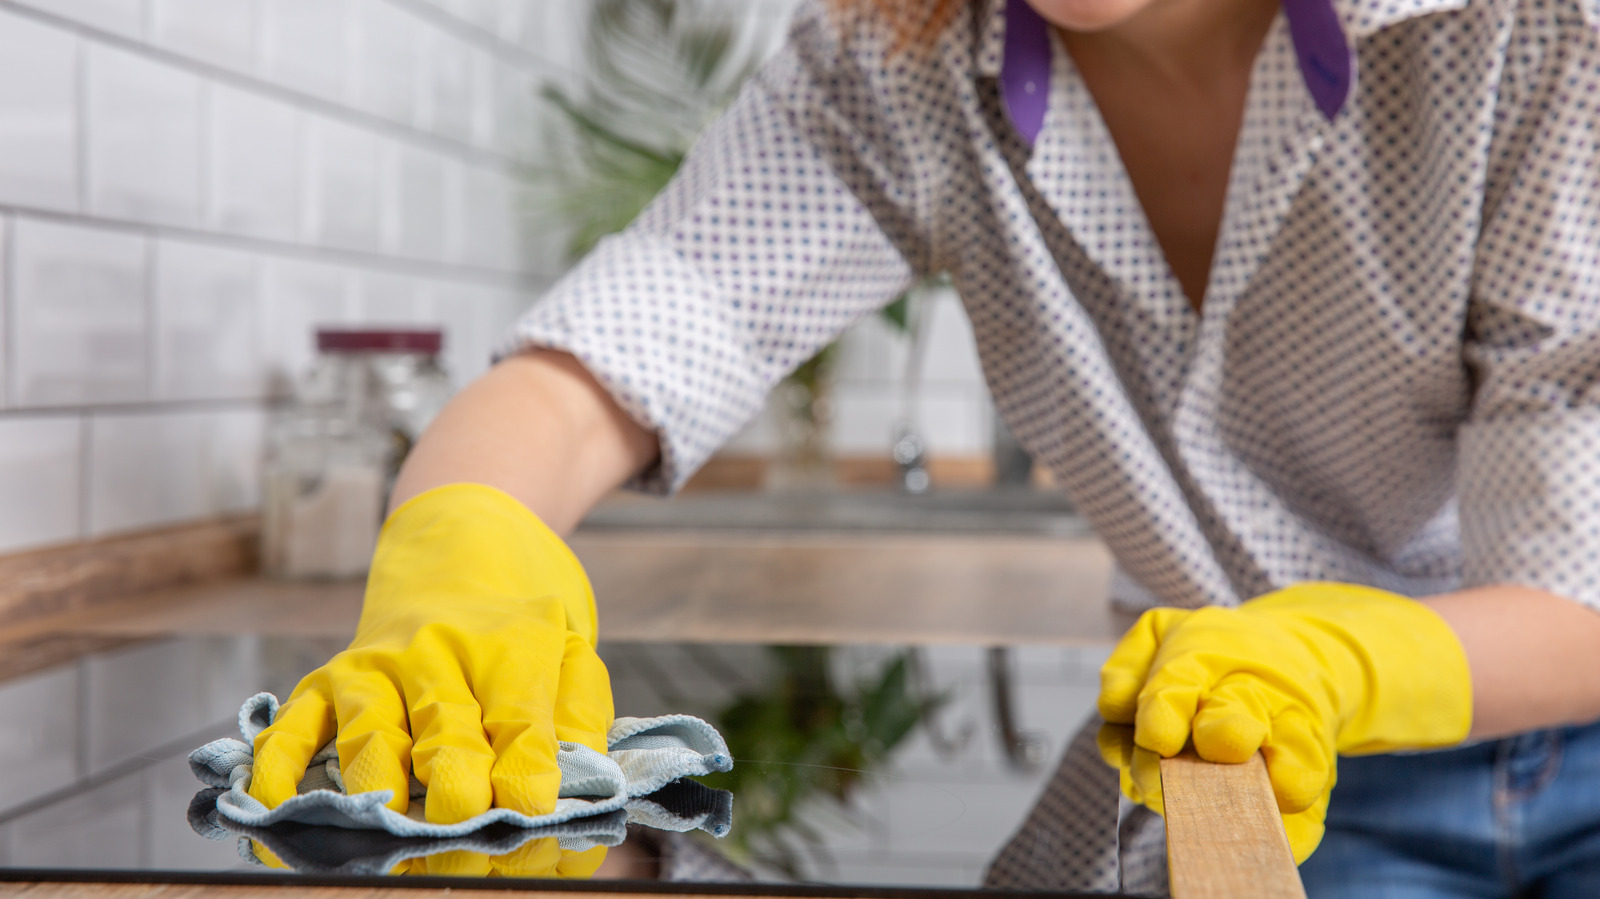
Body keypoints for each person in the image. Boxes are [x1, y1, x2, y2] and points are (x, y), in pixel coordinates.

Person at [246, 0, 1600, 893]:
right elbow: (617, 347)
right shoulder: (897, 64)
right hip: (1252, 763)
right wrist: (462, 546)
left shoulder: (1530, 34)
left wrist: (1345, 654)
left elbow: (1577, 578)